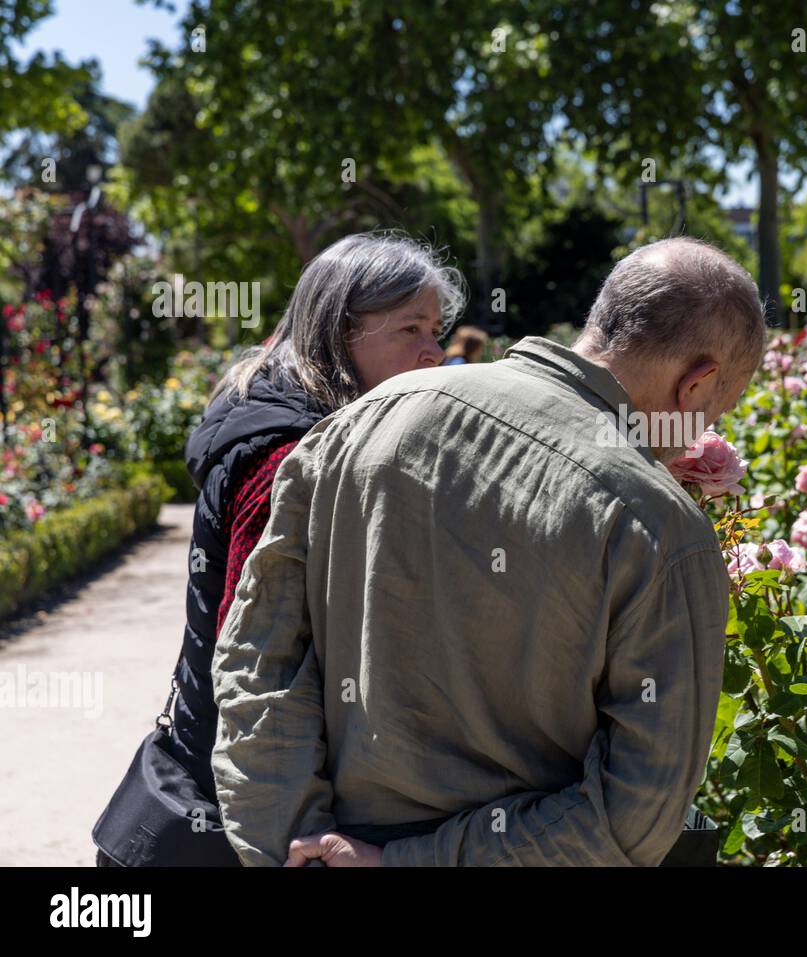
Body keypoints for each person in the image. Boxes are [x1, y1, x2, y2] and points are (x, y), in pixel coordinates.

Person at [211, 236, 767, 866]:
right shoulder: (662, 529)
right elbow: (633, 818)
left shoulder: (361, 422)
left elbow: (259, 661)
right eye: (716, 409)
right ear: (698, 385)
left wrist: (295, 845)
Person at [94, 231, 465, 866]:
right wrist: (294, 827)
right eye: (411, 329)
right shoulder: (285, 455)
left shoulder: (314, 424)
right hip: (248, 801)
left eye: (436, 329)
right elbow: (260, 662)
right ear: (341, 330)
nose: (435, 352)